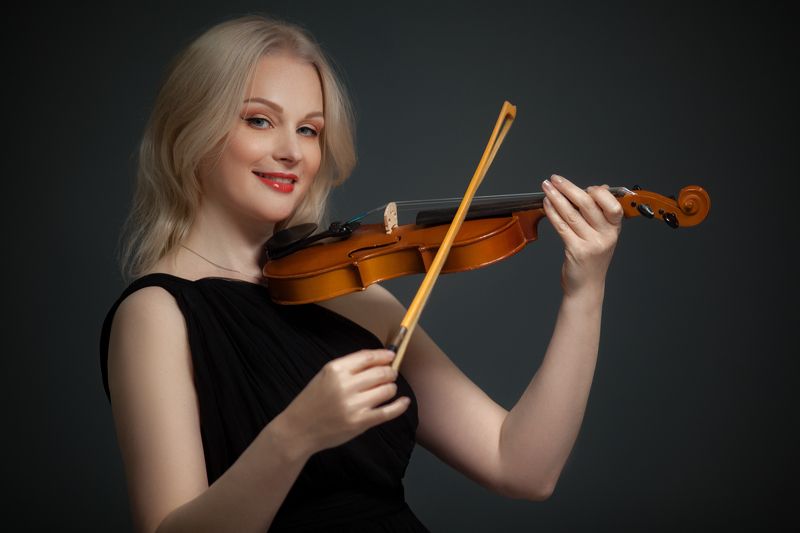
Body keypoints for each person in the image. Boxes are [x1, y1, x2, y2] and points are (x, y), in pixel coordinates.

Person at [99, 13, 624, 533]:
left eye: (309, 129)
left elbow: (521, 466)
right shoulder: (156, 315)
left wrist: (585, 291)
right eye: (259, 119)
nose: (291, 151)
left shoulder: (353, 296)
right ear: (192, 127)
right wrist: (294, 436)